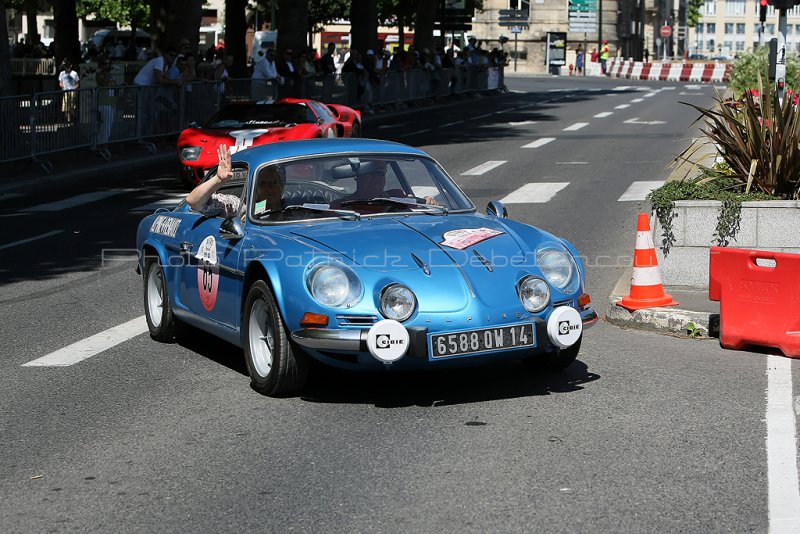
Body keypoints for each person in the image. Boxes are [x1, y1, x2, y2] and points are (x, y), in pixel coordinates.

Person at [186, 145, 285, 218]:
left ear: (281, 187)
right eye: (263, 184)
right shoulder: (240, 206)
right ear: (253, 188)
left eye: (274, 183)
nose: (270, 189)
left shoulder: (293, 205)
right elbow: (193, 201)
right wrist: (218, 180)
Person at [96, 57, 117, 145]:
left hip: (112, 101)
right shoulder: (100, 75)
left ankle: (104, 141)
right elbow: (103, 84)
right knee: (106, 123)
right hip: (104, 102)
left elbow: (114, 86)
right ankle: (102, 143)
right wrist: (107, 74)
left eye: (109, 63)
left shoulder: (112, 75)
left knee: (110, 123)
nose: (108, 65)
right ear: (101, 65)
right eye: (105, 63)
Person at [58, 59, 80, 125]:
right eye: (65, 66)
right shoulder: (62, 73)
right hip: (65, 92)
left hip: (72, 92)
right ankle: (69, 121)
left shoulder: (74, 73)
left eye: (67, 66)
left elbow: (77, 83)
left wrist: (73, 89)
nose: (66, 68)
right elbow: (60, 82)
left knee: (72, 107)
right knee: (66, 107)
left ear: (70, 66)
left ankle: (75, 118)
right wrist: (62, 87)